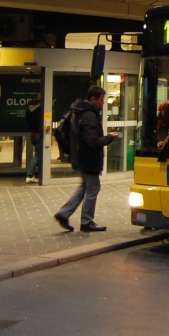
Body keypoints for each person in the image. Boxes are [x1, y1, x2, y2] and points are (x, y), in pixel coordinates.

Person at [53, 86, 119, 232]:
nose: (102, 103)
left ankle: (63, 213)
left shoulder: (79, 112)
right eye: (101, 100)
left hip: (81, 157)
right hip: (88, 158)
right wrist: (109, 138)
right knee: (93, 188)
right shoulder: (89, 115)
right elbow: (92, 141)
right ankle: (86, 222)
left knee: (85, 187)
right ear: (92, 99)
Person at [24, 97, 42, 183]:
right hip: (40, 135)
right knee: (38, 155)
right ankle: (30, 175)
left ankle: (40, 174)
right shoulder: (40, 111)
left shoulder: (28, 111)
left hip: (33, 134)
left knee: (39, 154)